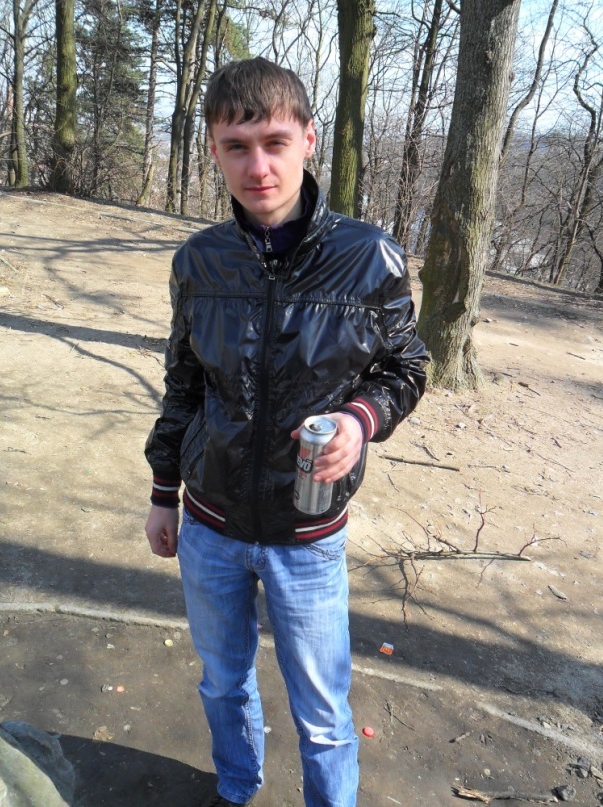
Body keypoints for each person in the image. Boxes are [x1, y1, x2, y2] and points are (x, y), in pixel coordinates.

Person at [144, 57, 429, 807]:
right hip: (209, 526)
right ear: (214, 150)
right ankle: (236, 788)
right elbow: (183, 386)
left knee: (323, 711)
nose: (258, 166)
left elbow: (406, 365)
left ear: (308, 139)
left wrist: (360, 420)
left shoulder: (369, 259)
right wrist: (163, 493)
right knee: (221, 682)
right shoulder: (198, 262)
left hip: (308, 535)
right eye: (236, 147)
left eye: (274, 142)